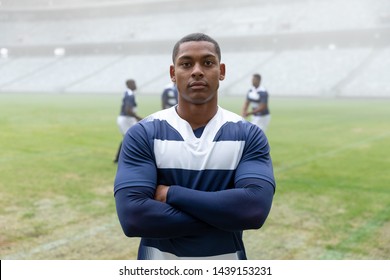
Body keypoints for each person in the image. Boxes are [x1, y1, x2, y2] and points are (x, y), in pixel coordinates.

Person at [114, 33, 275, 260]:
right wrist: (223, 215)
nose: (197, 70)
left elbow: (253, 211)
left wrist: (171, 193)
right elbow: (134, 218)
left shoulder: (248, 134)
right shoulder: (143, 133)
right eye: (186, 63)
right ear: (173, 73)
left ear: (222, 71)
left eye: (208, 63)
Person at [113, 79, 142, 163]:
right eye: (134, 83)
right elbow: (128, 110)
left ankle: (118, 159)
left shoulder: (128, 93)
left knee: (128, 138)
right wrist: (138, 117)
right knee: (130, 138)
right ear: (129, 85)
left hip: (127, 119)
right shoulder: (130, 94)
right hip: (126, 119)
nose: (135, 85)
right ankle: (121, 159)